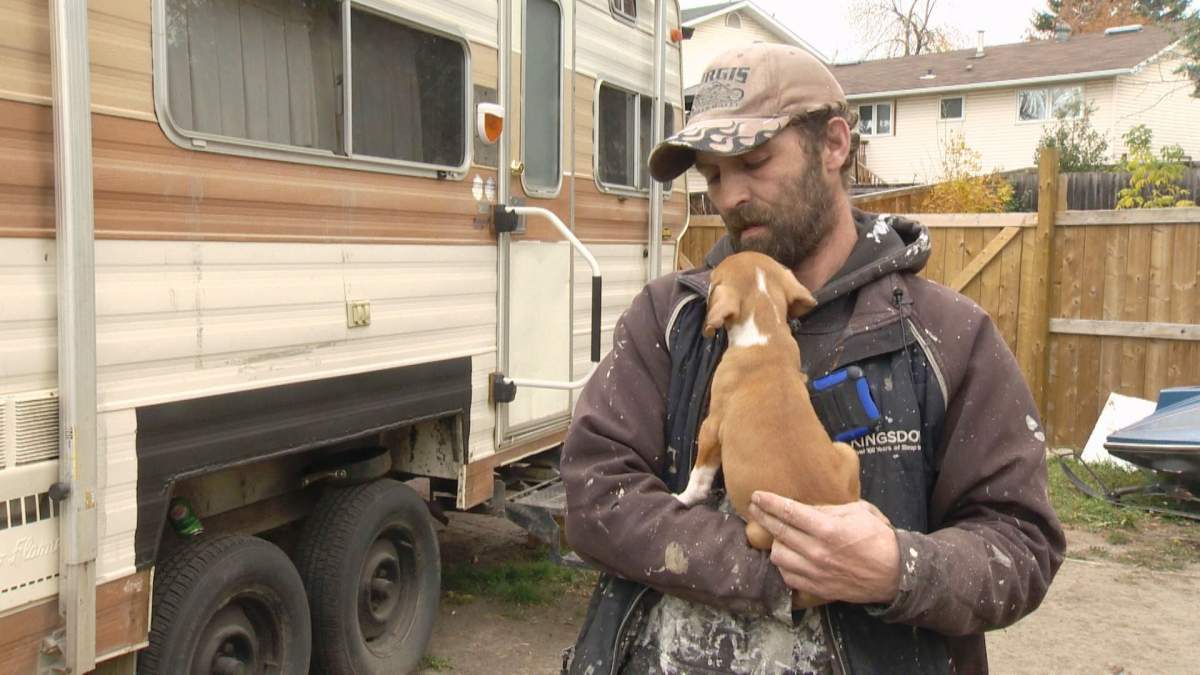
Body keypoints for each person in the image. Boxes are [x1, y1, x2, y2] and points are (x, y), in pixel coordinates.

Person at [560, 43, 1065, 675]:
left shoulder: (945, 337)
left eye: (753, 161)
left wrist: (896, 568)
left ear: (833, 145)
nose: (731, 195)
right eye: (713, 175)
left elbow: (1021, 543)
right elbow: (594, 494)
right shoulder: (671, 319)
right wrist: (777, 570)